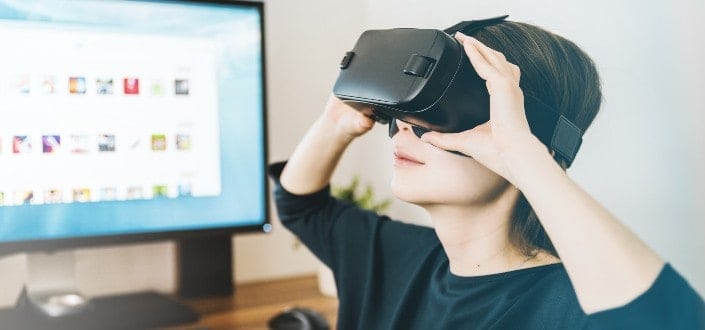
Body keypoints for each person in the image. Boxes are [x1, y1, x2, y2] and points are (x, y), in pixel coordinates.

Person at [268, 20, 705, 329]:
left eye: (438, 114)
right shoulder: (394, 257)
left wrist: (524, 156)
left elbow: (667, 321)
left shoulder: (570, 307)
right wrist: (336, 122)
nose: (405, 126)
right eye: (408, 110)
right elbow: (300, 206)